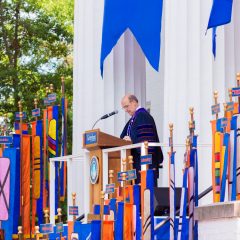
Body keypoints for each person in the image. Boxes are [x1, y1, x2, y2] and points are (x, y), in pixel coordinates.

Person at [120, 94, 163, 186]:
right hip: (137, 163)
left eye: (126, 106)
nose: (126, 110)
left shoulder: (143, 116)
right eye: (124, 108)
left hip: (145, 164)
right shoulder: (134, 118)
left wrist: (131, 140)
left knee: (146, 194)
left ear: (134, 102)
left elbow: (146, 142)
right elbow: (122, 137)